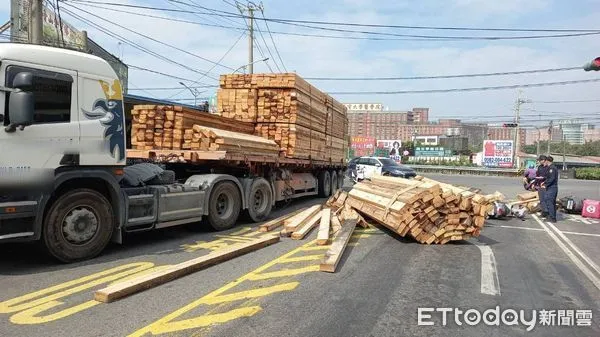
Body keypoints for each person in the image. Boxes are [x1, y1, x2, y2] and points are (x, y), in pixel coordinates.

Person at [542, 156, 559, 222]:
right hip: (552, 187)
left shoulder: (551, 168)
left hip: (552, 188)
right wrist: (544, 182)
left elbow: (551, 178)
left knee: (549, 202)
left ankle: (552, 217)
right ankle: (552, 216)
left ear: (547, 161)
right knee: (551, 202)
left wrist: (545, 185)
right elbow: (549, 178)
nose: (544, 163)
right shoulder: (551, 168)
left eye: (544, 161)